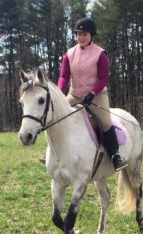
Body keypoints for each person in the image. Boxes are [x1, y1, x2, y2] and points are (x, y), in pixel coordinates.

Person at [57, 17, 127, 171]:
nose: (81, 37)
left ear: (91, 35)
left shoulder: (100, 54)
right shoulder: (69, 54)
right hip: (75, 94)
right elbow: (64, 76)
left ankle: (115, 155)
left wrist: (92, 92)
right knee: (57, 116)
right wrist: (59, 93)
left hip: (96, 95)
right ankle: (55, 154)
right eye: (78, 34)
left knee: (105, 122)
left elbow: (104, 78)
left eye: (84, 34)